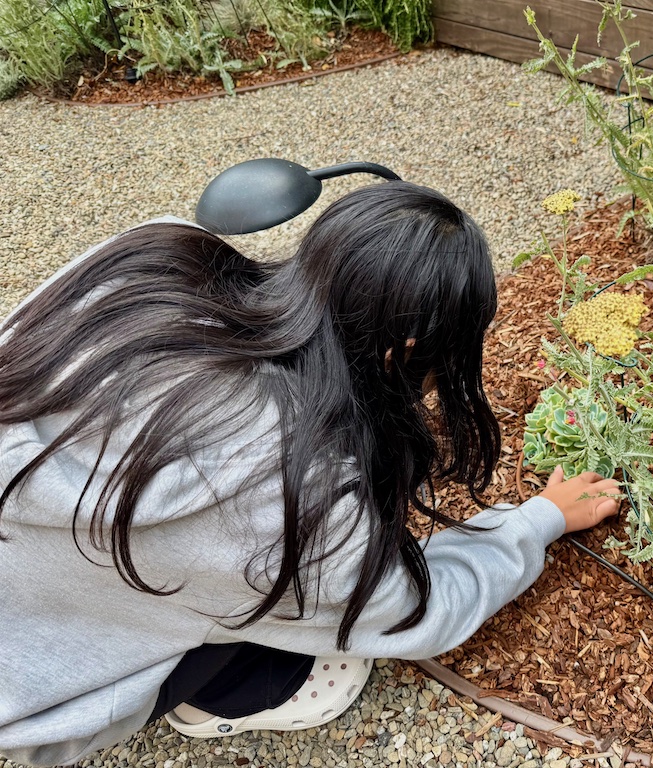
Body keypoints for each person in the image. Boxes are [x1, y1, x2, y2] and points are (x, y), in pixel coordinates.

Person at [0, 181, 620, 766]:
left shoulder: (148, 256)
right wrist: (540, 519)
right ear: (399, 357)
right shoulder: (298, 500)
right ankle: (228, 697)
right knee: (312, 644)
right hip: (26, 697)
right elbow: (415, 612)